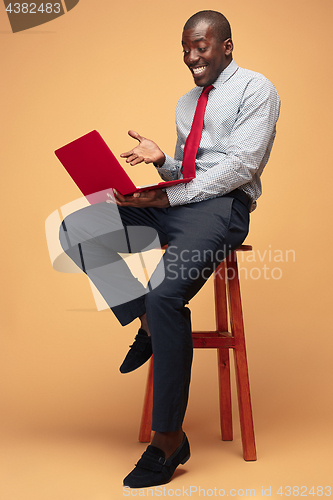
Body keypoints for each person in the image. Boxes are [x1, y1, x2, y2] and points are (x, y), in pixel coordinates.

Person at [59, 10, 280, 488]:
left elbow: (236, 168)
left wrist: (169, 193)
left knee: (166, 296)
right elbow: (193, 170)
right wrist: (164, 164)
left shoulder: (256, 89)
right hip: (181, 200)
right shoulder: (186, 102)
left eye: (201, 46)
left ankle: (167, 440)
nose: (192, 56)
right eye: (186, 48)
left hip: (222, 209)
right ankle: (148, 325)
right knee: (77, 227)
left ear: (226, 46)